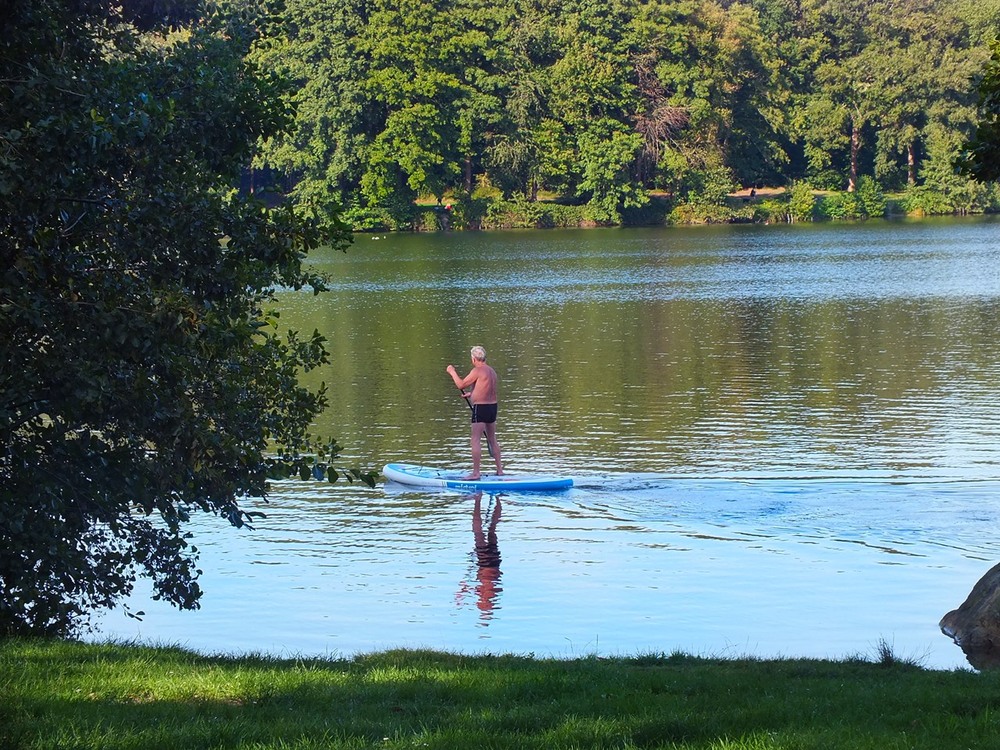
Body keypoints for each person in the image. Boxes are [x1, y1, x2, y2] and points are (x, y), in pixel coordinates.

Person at [446, 346, 504, 479]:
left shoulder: (477, 370)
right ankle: (500, 470)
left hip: (481, 408)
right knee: (492, 439)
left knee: (475, 439)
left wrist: (452, 372)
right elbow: (487, 389)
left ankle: (476, 473)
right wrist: (472, 394)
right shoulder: (492, 371)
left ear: (473, 359)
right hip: (492, 408)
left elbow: (461, 384)